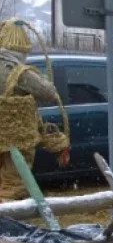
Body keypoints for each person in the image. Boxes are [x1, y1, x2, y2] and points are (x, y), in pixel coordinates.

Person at [0, 18, 70, 201]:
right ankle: (8, 217)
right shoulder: (20, 72)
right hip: (16, 139)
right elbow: (49, 93)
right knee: (13, 186)